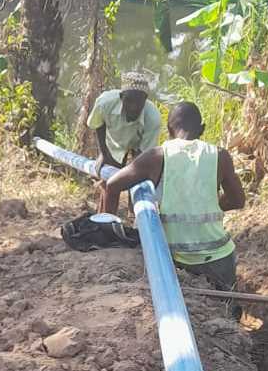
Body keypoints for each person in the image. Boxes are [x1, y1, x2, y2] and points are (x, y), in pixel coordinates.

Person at [99, 102, 245, 302]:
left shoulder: (157, 156)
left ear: (168, 130)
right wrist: (209, 205)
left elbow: (112, 184)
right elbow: (238, 200)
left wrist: (110, 233)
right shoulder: (220, 156)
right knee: (227, 317)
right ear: (202, 129)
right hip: (220, 258)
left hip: (175, 261)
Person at [86, 72, 162, 175]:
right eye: (129, 101)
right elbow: (98, 124)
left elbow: (144, 152)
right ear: (121, 97)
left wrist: (131, 175)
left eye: (138, 102)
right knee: (109, 177)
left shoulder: (153, 118)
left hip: (138, 143)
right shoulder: (104, 103)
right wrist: (103, 153)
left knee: (137, 176)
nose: (133, 107)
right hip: (114, 140)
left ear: (145, 100)